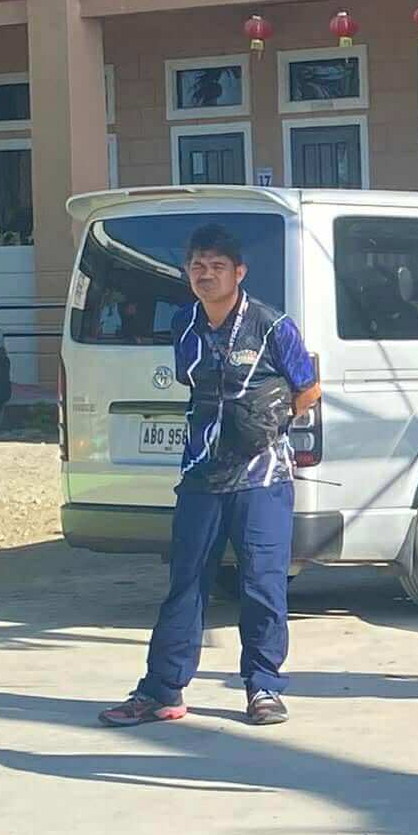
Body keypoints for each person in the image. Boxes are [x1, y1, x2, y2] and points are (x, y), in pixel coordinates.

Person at [100, 223, 321, 728]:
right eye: (197, 265)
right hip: (201, 474)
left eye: (217, 266)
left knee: (262, 586)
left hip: (262, 478)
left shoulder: (272, 325)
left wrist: (272, 419)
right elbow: (192, 382)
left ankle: (264, 686)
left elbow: (308, 388)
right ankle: (163, 690)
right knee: (185, 585)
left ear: (239, 272)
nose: (205, 274)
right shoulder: (184, 324)